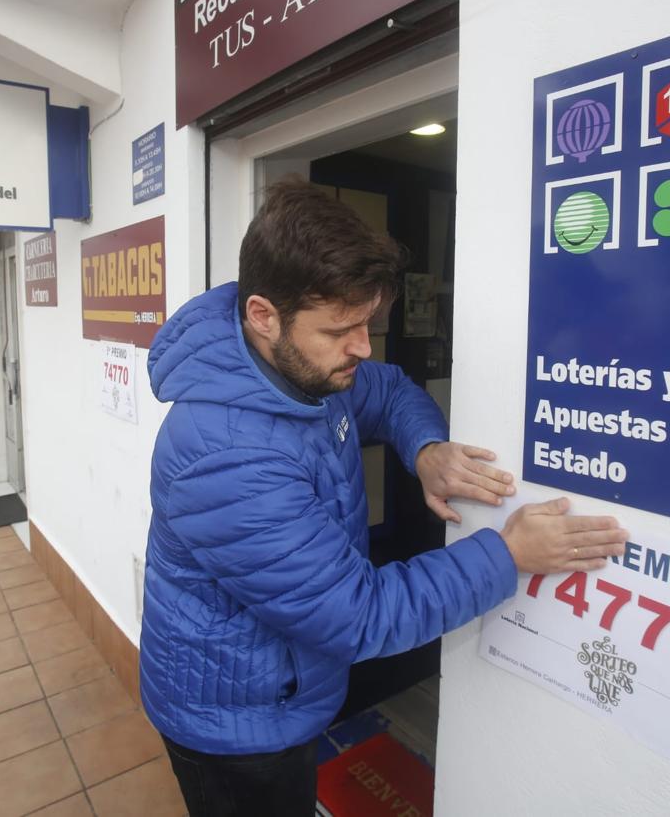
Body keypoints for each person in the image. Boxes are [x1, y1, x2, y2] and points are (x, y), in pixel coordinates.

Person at [141, 179, 628, 816]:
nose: (363, 348)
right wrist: (507, 556)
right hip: (237, 726)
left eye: (368, 324)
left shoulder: (305, 368)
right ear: (263, 316)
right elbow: (356, 615)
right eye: (341, 329)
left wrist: (424, 450)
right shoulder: (225, 456)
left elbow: (391, 392)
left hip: (280, 688)